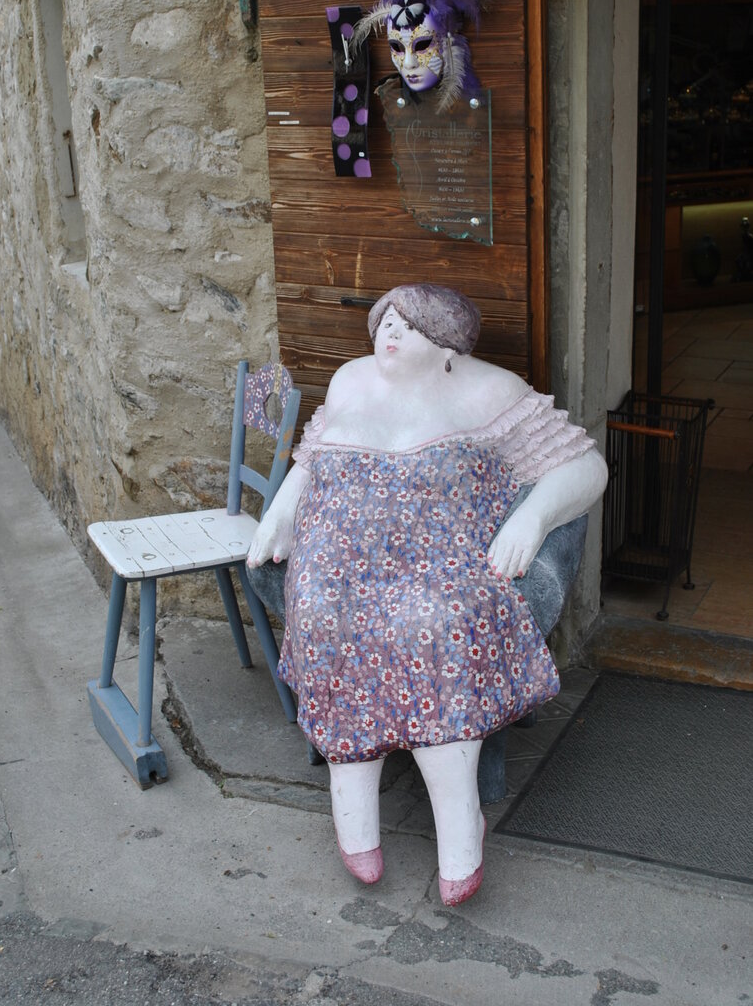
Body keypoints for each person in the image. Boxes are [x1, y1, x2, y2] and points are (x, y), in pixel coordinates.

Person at [247, 284, 607, 906]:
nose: (391, 331)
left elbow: (585, 466)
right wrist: (280, 514)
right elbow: (311, 459)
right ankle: (353, 810)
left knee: (433, 628)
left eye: (410, 326)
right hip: (341, 561)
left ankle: (460, 821)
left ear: (447, 349)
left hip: (444, 564)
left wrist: (532, 519)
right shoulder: (350, 381)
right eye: (386, 319)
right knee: (325, 617)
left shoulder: (491, 392)